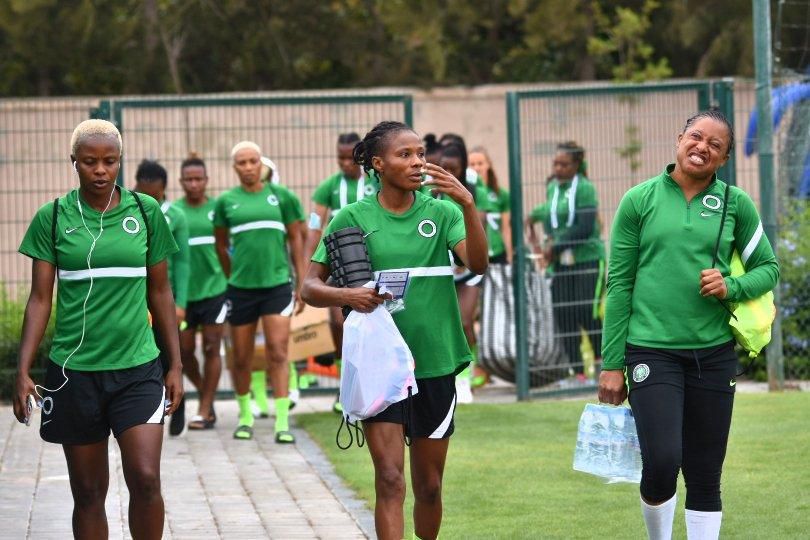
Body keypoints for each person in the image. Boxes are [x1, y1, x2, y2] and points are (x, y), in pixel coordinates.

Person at [301, 121, 488, 540]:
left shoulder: (442, 212)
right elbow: (309, 287)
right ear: (378, 163)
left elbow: (477, 264)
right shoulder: (350, 217)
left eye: (421, 153)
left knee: (429, 486)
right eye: (406, 155)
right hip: (378, 366)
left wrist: (469, 205)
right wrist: (348, 296)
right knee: (389, 479)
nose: (418, 161)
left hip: (435, 362)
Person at [598, 110, 779, 540]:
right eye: (696, 137)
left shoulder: (736, 204)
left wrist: (731, 285)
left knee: (704, 472)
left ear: (724, 159)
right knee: (661, 461)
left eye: (715, 146)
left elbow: (768, 268)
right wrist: (610, 364)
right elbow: (619, 284)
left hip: (713, 356)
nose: (703, 147)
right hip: (651, 351)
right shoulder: (638, 200)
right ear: (680, 138)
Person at [13, 119, 183, 539]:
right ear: (74, 162)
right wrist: (22, 370)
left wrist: (175, 364)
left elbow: (161, 294)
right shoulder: (52, 218)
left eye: (109, 161)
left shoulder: (145, 213)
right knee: (88, 492)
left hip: (138, 369)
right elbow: (39, 299)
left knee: (145, 478)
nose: (101, 170)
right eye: (90, 162)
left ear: (120, 162)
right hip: (75, 373)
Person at [214, 140, 306, 442]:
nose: (249, 167)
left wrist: (301, 282)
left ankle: (282, 423)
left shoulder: (282, 198)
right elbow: (220, 246)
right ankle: (245, 417)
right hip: (241, 291)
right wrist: (233, 277)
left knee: (278, 353)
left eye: (253, 161)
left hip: (277, 288)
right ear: (234, 167)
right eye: (242, 162)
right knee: (241, 359)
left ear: (261, 164)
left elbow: (297, 241)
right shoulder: (226, 202)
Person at [304, 132, 376, 413]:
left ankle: (370, 382)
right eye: (341, 158)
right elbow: (314, 224)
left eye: (351, 158)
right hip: (339, 263)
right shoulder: (328, 187)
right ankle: (344, 383)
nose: (346, 163)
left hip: (372, 261)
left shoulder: (373, 183)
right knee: (338, 324)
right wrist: (307, 264)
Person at [527, 142, 605, 378]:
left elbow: (584, 227)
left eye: (564, 164)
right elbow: (548, 213)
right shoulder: (553, 188)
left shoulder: (585, 189)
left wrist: (556, 248)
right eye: (555, 163)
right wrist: (531, 222)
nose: (558, 168)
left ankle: (603, 364)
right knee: (563, 313)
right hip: (560, 264)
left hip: (587, 260)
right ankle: (578, 372)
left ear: (576, 165)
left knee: (584, 310)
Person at [134, 159, 191, 435]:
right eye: (142, 189)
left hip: (163, 299)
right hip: (134, 301)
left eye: (153, 193)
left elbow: (182, 262)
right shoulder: (128, 210)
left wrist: (180, 303)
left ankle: (179, 403)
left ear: (164, 189)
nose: (148, 197)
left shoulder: (175, 216)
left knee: (169, 352)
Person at [175, 154, 227, 430]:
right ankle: (207, 393)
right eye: (189, 179)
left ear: (206, 181)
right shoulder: (174, 212)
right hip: (184, 296)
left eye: (199, 179)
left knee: (211, 346)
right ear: (181, 182)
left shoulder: (219, 209)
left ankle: (204, 409)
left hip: (215, 290)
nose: (194, 184)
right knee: (184, 351)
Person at [468, 146, 511, 388]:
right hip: (476, 259)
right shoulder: (469, 191)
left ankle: (493, 364)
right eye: (472, 164)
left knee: (494, 315)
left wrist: (511, 256)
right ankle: (477, 367)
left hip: (497, 258)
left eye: (480, 163)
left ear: (489, 165)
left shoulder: (500, 194)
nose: (476, 168)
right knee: (472, 315)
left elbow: (506, 227)